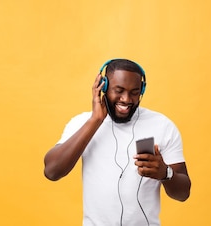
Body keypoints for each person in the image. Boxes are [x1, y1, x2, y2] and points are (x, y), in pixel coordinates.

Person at [43, 59, 191, 226]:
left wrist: (165, 173)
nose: (127, 99)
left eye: (134, 92)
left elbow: (183, 193)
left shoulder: (163, 126)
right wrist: (95, 120)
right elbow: (52, 172)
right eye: (118, 90)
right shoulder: (82, 123)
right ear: (103, 87)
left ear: (142, 90)